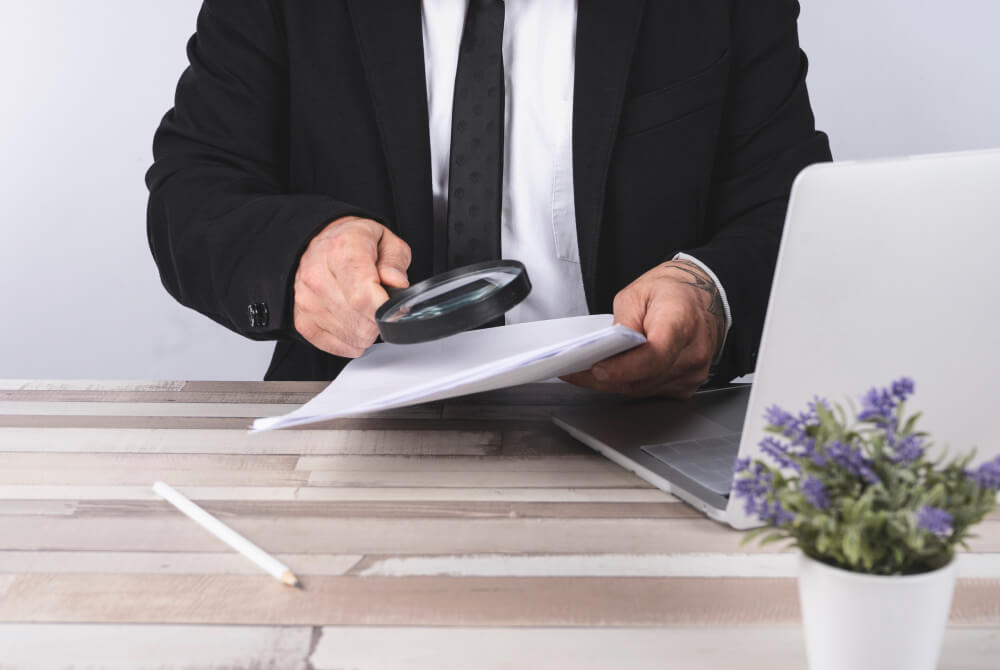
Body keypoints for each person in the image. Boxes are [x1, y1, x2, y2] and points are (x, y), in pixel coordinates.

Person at [146, 0, 831, 397]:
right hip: (354, 436)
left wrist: (711, 291)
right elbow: (193, 186)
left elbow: (794, 204)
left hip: (639, 430)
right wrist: (299, 257)